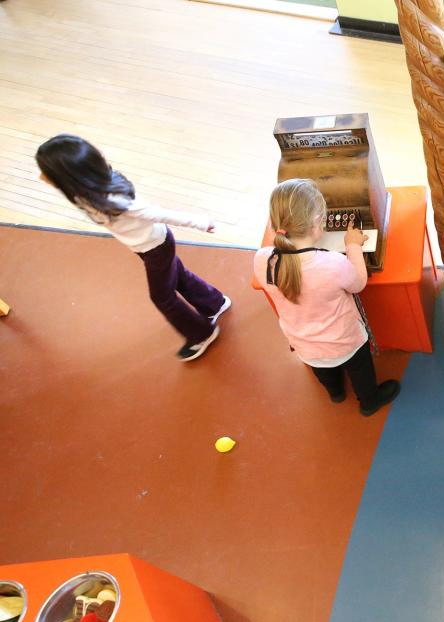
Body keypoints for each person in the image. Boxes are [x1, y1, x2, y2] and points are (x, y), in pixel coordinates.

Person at [35, 135, 230, 361]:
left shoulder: (115, 200)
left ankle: (202, 334)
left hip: (155, 246)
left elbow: (158, 213)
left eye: (48, 174)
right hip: (145, 246)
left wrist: (201, 222)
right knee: (177, 275)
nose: (44, 178)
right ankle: (214, 303)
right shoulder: (83, 187)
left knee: (162, 297)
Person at [252, 179, 400, 417]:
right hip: (345, 341)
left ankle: (336, 392)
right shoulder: (332, 263)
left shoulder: (262, 260)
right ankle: (369, 401)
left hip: (304, 346)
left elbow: (284, 258)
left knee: (322, 370)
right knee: (360, 368)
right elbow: (358, 283)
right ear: (317, 223)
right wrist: (352, 246)